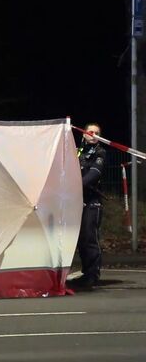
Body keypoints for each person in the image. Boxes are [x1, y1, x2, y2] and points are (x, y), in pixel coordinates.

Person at [67, 123, 106, 289]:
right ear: (83, 134)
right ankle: (85, 273)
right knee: (81, 240)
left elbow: (94, 174)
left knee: (89, 238)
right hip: (77, 200)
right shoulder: (76, 151)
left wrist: (75, 185)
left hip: (92, 201)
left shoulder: (100, 152)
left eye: (97, 133)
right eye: (90, 132)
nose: (93, 135)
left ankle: (92, 275)